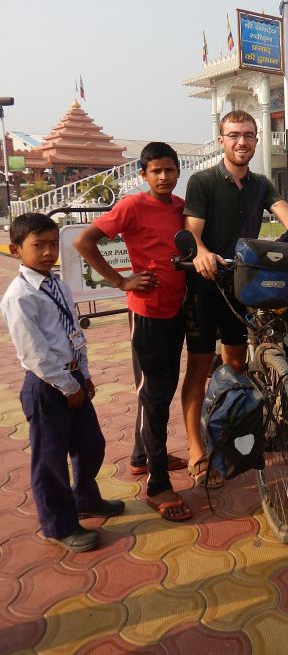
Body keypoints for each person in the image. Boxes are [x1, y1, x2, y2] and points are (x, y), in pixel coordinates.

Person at [181, 109, 288, 486]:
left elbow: (287, 214)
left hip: (241, 284)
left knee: (235, 362)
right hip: (206, 284)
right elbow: (192, 230)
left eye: (248, 135)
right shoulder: (203, 181)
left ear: (256, 140)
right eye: (234, 135)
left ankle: (232, 426)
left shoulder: (261, 183)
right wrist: (201, 252)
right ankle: (196, 448)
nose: (241, 142)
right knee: (199, 367)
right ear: (221, 141)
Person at [74, 142, 191, 522]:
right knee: (154, 394)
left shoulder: (181, 207)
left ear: (178, 171)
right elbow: (83, 241)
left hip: (176, 309)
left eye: (169, 170)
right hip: (147, 313)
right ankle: (157, 484)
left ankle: (143, 456)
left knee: (164, 388)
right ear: (143, 174)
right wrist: (120, 281)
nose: (163, 177)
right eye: (156, 171)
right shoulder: (132, 206)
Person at [1, 213, 125, 552]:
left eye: (53, 244)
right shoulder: (20, 296)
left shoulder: (57, 284)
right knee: (50, 460)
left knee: (91, 444)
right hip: (47, 386)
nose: (47, 252)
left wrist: (84, 374)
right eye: (38, 245)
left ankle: (85, 498)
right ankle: (57, 525)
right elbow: (35, 354)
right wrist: (68, 387)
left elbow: (74, 333)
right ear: (16, 250)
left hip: (72, 377)